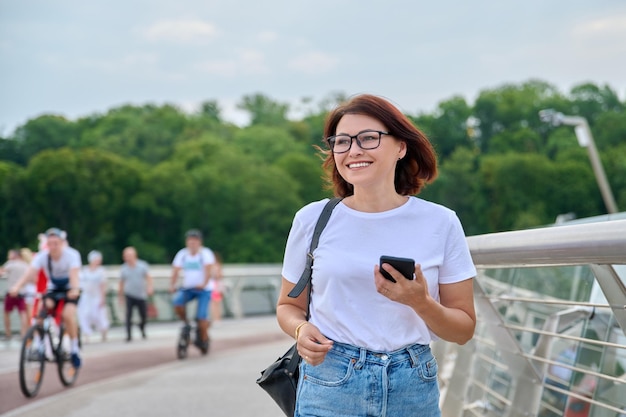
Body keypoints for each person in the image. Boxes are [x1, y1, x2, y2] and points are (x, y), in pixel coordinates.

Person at [276, 94, 477, 417]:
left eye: (369, 138)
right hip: (330, 383)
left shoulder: (441, 222)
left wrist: (420, 302)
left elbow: (463, 329)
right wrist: (301, 331)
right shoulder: (311, 220)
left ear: (401, 147)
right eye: (341, 142)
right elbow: (288, 306)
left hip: (411, 385)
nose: (354, 150)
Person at [9, 228, 83, 368]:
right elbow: (29, 274)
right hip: (54, 287)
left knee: (67, 315)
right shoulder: (43, 256)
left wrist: (74, 289)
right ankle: (41, 345)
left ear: (61, 243)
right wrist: (16, 287)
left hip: (70, 287)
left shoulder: (72, 255)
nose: (53, 247)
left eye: (56, 243)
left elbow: (74, 275)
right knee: (41, 312)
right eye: (50, 244)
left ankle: (74, 349)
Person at [169, 229, 216, 351]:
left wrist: (204, 283)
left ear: (199, 242)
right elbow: (175, 270)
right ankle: (186, 322)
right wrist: (172, 285)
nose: (192, 244)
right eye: (190, 241)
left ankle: (204, 339)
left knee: (201, 317)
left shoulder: (205, 254)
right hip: (188, 289)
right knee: (177, 304)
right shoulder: (182, 254)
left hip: (203, 290)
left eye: (195, 241)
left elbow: (208, 270)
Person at [118, 247, 153, 342]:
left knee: (144, 315)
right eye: (125, 256)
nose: (127, 258)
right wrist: (120, 296)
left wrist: (150, 287)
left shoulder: (142, 265)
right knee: (128, 315)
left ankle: (142, 327)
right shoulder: (124, 268)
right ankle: (129, 335)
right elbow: (121, 283)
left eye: (129, 255)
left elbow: (148, 277)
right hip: (129, 294)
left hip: (141, 294)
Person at [78, 250, 109, 342]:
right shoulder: (85, 271)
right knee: (85, 315)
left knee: (98, 315)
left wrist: (103, 298)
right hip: (86, 297)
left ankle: (103, 331)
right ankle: (86, 334)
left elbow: (103, 285)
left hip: (97, 296)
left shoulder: (101, 271)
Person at [1, 249, 30, 339]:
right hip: (22, 292)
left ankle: (8, 333)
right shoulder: (26, 265)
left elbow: (1, 272)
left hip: (12, 291)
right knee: (23, 313)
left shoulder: (11, 264)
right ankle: (23, 333)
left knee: (6, 313)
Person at [19, 248, 37, 326]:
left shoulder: (29, 266)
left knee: (30, 313)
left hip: (30, 290)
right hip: (30, 289)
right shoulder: (32, 264)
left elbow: (35, 280)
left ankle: (31, 331)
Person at [210, 252, 224, 324]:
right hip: (216, 285)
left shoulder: (214, 266)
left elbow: (219, 276)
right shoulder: (217, 265)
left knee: (215, 303)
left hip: (215, 285)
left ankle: (216, 318)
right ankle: (217, 318)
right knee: (216, 303)